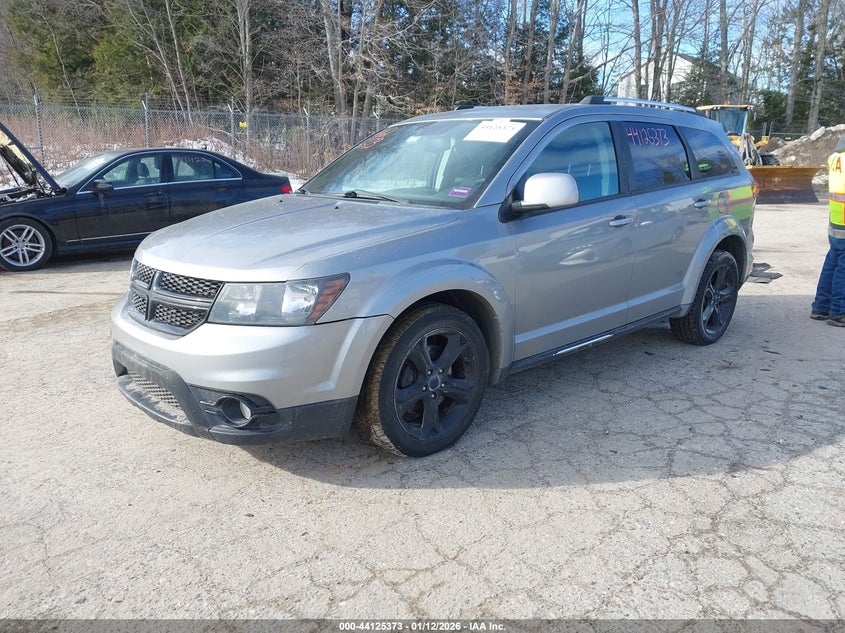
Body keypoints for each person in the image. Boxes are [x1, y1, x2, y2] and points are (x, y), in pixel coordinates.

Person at [811, 136, 845, 327]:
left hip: (836, 218)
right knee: (843, 266)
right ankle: (839, 311)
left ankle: (821, 307)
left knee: (833, 261)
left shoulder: (836, 157)